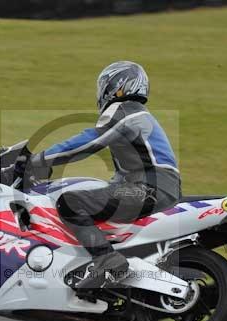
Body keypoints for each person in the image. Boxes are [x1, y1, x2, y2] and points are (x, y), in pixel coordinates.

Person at [28, 61, 181, 289]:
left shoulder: (125, 112)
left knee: (70, 202)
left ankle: (107, 261)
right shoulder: (136, 115)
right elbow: (123, 176)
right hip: (154, 188)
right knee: (92, 197)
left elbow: (88, 142)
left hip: (149, 189)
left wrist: (39, 159)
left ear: (118, 85)